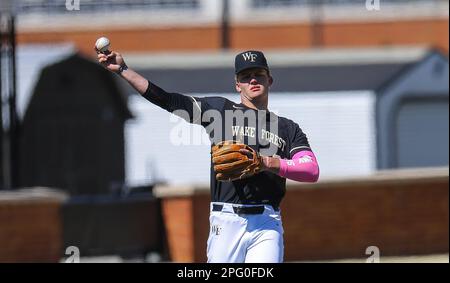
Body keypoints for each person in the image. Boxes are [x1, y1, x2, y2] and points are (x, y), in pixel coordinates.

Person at [97, 48, 320, 263]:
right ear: (237, 85)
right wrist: (123, 70)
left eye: (258, 74)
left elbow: (311, 170)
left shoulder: (287, 128)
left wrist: (267, 162)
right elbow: (168, 100)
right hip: (226, 220)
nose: (253, 80)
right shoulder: (220, 111)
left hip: (266, 223)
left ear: (269, 80)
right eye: (245, 76)